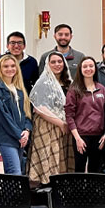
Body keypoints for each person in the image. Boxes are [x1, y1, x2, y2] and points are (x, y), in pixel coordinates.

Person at [27, 52, 75, 186]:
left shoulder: (68, 82)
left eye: (59, 61)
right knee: (49, 159)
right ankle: (48, 194)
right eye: (53, 62)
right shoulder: (43, 82)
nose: (57, 65)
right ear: (47, 64)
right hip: (47, 125)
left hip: (64, 126)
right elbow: (39, 108)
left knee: (61, 160)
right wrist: (60, 123)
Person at [0, 54, 33, 175]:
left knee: (17, 174)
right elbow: (2, 116)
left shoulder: (19, 88)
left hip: (21, 136)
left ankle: (10, 194)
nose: (9, 69)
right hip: (6, 137)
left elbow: (27, 112)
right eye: (5, 66)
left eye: (13, 66)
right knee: (15, 172)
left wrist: (27, 130)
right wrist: (19, 134)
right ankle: (15, 194)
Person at [65, 57, 105, 173]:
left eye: (91, 66)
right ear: (80, 69)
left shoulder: (101, 89)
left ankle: (93, 191)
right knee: (80, 168)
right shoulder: (74, 89)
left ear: (95, 68)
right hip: (81, 136)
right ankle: (80, 192)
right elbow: (69, 115)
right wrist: (77, 138)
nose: (88, 69)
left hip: (99, 137)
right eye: (85, 66)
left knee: (96, 169)